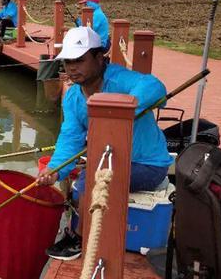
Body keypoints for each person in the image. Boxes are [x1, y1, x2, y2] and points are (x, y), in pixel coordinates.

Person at [38, 26, 173, 261]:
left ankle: (78, 239)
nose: (71, 68)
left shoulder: (120, 79)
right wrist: (55, 171)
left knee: (88, 179)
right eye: (67, 61)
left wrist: (117, 108)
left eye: (79, 60)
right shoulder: (72, 97)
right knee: (81, 176)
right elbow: (70, 138)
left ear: (99, 58)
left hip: (148, 165)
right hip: (111, 160)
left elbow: (155, 87)